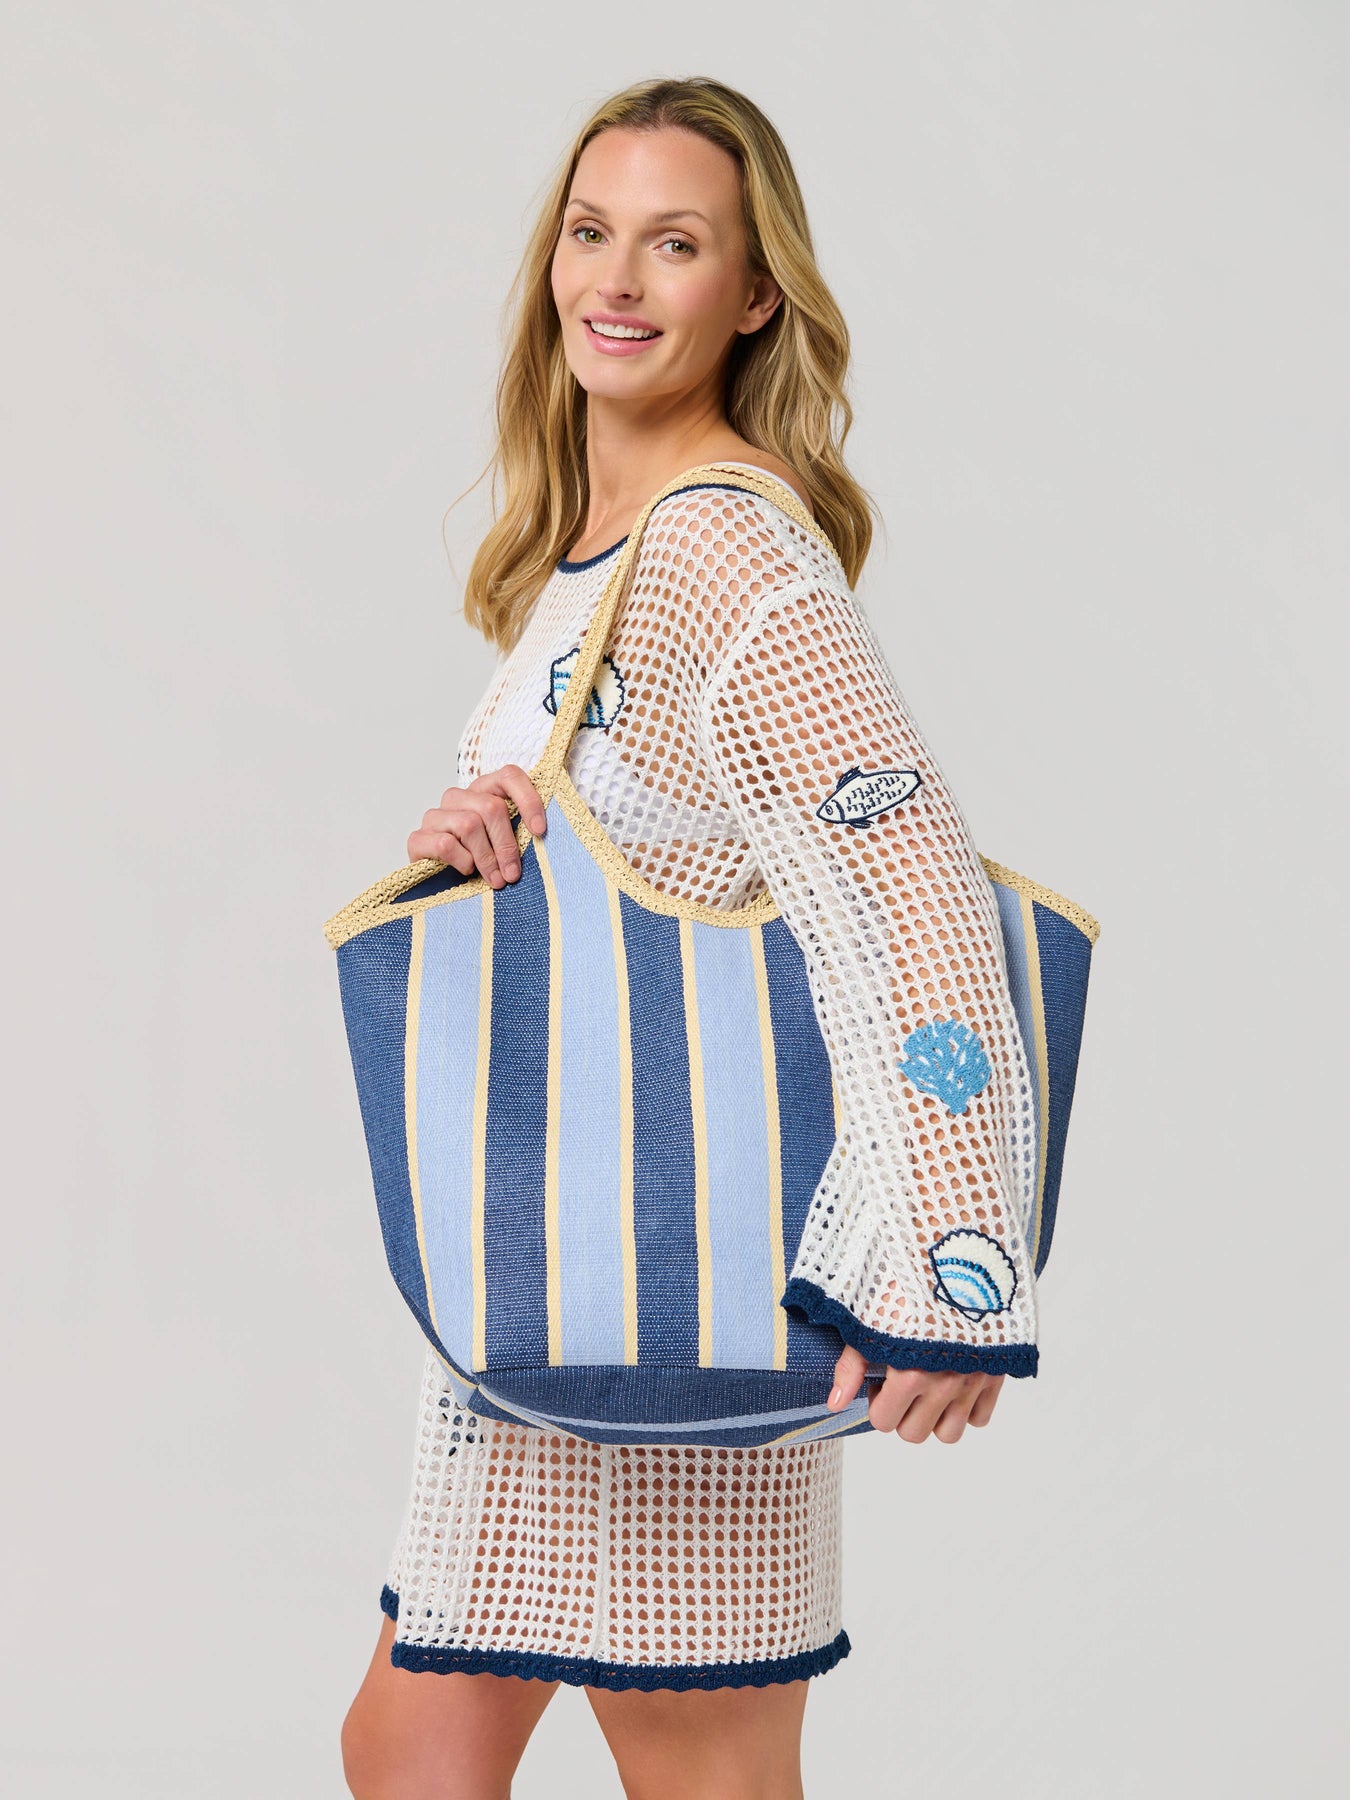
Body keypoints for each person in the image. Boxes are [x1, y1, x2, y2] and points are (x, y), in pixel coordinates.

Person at [340, 74, 1040, 1800]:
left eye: (675, 242)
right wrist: (480, 850)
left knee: (697, 1764)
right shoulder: (601, 555)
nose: (617, 278)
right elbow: (672, 867)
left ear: (754, 295)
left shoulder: (728, 554)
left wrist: (939, 1274)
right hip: (564, 1284)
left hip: (684, 1287)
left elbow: (913, 900)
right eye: (592, 231)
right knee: (414, 1746)